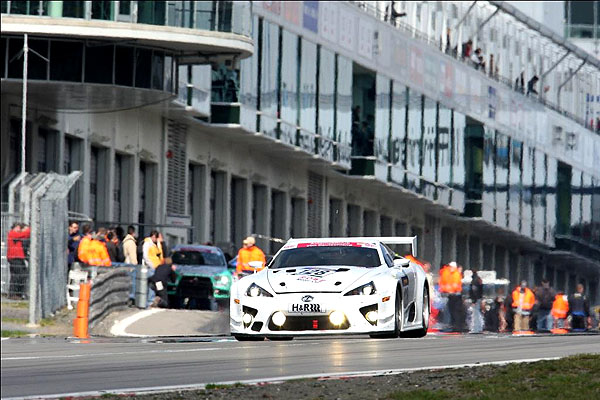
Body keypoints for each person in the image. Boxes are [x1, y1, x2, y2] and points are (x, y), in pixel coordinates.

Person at [7, 223, 31, 298]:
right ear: (14, 228)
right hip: (15, 258)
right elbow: (24, 234)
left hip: (19, 257)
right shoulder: (12, 233)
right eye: (18, 228)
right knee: (17, 276)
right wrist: (29, 230)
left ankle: (17, 293)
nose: (19, 229)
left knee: (20, 275)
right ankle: (13, 293)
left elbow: (25, 236)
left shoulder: (17, 235)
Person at [469, 269, 484, 333]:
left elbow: (474, 291)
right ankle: (480, 327)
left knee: (475, 314)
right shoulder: (478, 280)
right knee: (478, 313)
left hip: (476, 299)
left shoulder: (474, 281)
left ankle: (475, 328)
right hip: (479, 298)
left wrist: (473, 300)